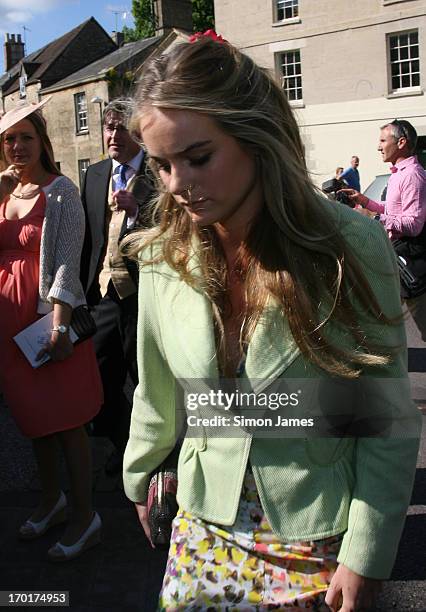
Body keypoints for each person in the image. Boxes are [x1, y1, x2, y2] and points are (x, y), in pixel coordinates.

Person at [123, 34, 420, 611]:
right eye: (161, 166)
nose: (178, 185)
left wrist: (366, 553)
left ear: (254, 137)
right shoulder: (161, 257)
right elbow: (156, 391)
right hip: (200, 521)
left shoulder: (349, 245)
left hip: (317, 535)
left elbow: (384, 416)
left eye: (198, 157)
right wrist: (141, 477)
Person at [0, 100, 103, 561]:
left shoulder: (60, 191)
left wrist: (60, 327)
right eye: (9, 139)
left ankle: (85, 516)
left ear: (42, 140)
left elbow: (65, 261)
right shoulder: (5, 193)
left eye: (26, 137)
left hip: (46, 320)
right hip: (8, 326)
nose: (18, 146)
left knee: (66, 424)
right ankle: (51, 500)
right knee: (34, 423)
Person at [80, 98, 154, 474]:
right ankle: (127, 444)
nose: (113, 135)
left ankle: (158, 454)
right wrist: (78, 296)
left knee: (147, 381)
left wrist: (139, 211)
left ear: (138, 132)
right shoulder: (93, 175)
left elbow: (174, 230)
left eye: (122, 128)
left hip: (144, 296)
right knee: (98, 385)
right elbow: (87, 239)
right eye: (109, 127)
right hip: (103, 296)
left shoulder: (158, 174)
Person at [342, 120, 426, 340]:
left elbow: (413, 224)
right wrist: (364, 202)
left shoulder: (412, 176)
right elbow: (393, 212)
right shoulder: (398, 173)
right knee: (377, 316)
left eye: (382, 140)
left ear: (401, 142)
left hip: (411, 260)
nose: (378, 147)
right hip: (396, 256)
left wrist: (375, 217)